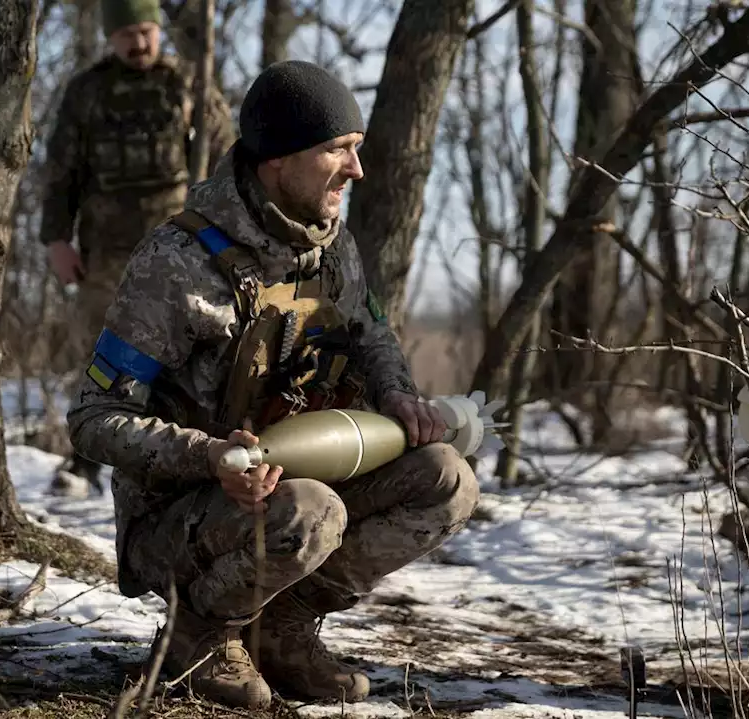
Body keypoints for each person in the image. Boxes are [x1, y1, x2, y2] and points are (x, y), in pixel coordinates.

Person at [66, 60, 480, 708]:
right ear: (278, 162)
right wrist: (206, 455)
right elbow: (93, 417)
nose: (357, 170)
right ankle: (196, 633)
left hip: (295, 482)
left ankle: (280, 627)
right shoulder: (177, 262)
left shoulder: (332, 248)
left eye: (358, 150)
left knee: (445, 477)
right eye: (337, 151)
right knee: (311, 510)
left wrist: (397, 394)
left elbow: (372, 335)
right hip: (180, 518)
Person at [40, 0, 237, 493]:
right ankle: (85, 461)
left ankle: (185, 457)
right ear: (111, 36)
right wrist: (56, 239)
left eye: (145, 31)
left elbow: (230, 159)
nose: (138, 43)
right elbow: (60, 172)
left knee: (184, 356)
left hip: (180, 248)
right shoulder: (87, 92)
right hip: (105, 250)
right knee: (101, 358)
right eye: (126, 33)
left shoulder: (188, 84)